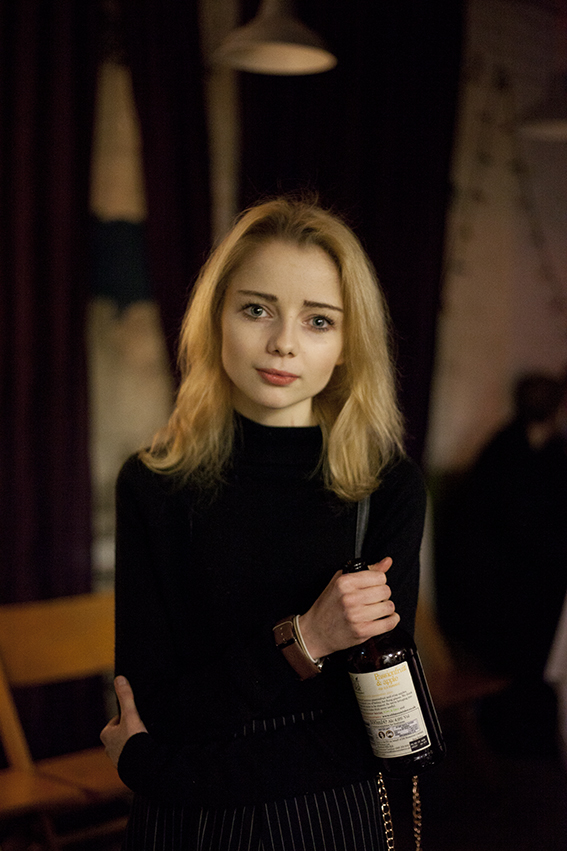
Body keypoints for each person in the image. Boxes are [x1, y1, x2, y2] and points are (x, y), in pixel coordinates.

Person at [101, 197, 426, 850]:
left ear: (346, 343)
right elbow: (157, 708)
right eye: (256, 308)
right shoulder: (152, 483)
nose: (282, 341)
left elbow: (377, 732)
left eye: (317, 320)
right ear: (215, 316)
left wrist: (153, 768)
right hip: (185, 825)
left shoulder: (383, 486)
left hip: (326, 822)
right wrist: (304, 639)